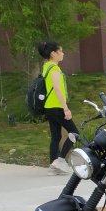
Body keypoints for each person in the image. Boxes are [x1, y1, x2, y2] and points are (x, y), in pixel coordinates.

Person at [38, 41, 78, 175]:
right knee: (74, 132)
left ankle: (53, 167)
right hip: (57, 106)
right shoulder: (54, 69)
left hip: (49, 107)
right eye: (60, 51)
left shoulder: (46, 67)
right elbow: (57, 89)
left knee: (56, 136)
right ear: (53, 53)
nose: (63, 53)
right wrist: (65, 108)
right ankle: (60, 161)